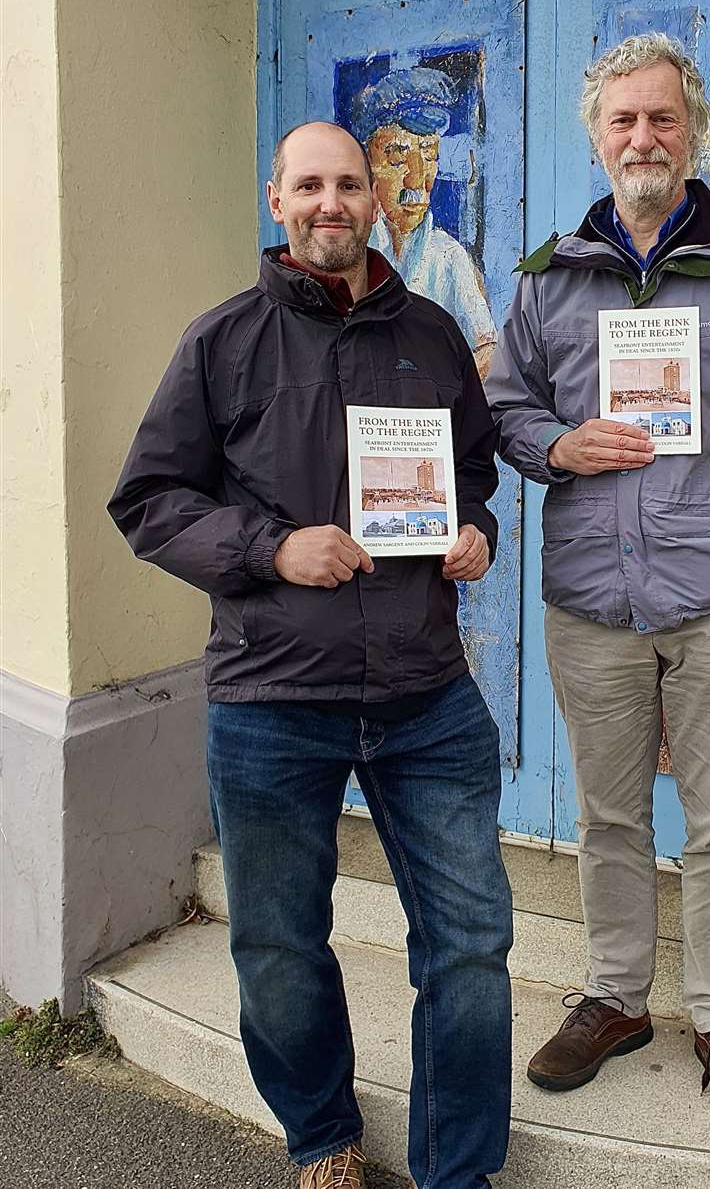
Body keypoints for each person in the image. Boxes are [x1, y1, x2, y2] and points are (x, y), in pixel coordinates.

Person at [108, 121, 512, 1189]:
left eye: (349, 185)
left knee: (470, 942)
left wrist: (476, 531)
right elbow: (148, 500)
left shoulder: (429, 334)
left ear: (377, 199)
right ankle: (323, 1135)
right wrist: (270, 547)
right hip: (273, 694)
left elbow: (473, 472)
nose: (331, 202)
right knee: (281, 943)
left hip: (427, 690)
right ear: (277, 198)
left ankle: (455, 1168)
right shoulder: (220, 341)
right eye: (310, 185)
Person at [486, 34, 710, 1130]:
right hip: (592, 598)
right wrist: (558, 446)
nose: (641, 137)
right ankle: (613, 995)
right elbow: (504, 408)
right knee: (607, 813)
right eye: (622, 121)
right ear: (595, 137)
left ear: (690, 130)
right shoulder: (552, 278)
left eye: (661, 119)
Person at [353, 67, 498, 378]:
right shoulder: (352, 255)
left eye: (430, 155)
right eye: (397, 158)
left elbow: (487, 348)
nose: (417, 178)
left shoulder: (447, 258)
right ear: (368, 166)